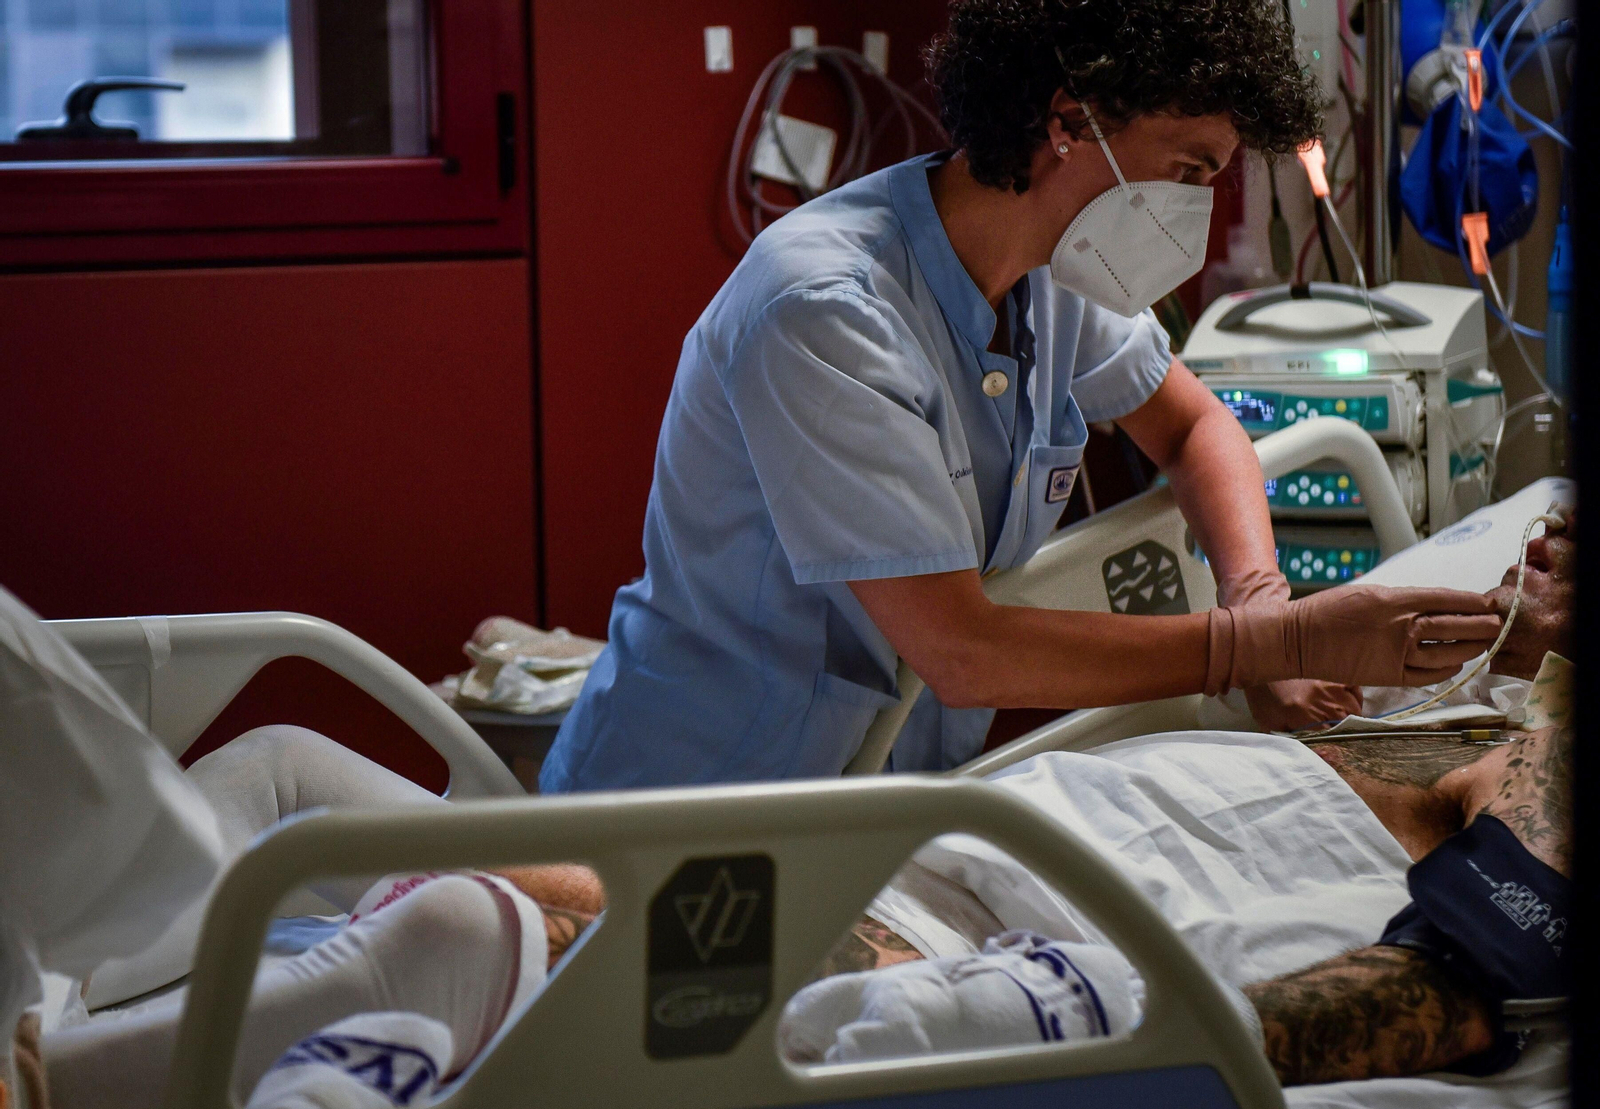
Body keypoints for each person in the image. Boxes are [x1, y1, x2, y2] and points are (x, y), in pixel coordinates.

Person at [32, 519, 1571, 1104]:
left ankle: (79, 1057)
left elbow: (1438, 981)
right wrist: (1281, 635)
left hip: (1042, 911)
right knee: (295, 774)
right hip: (990, 841)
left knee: (465, 922)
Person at [540, 0, 1499, 792]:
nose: (1196, 212)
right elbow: (963, 651)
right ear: (1070, 122)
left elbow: (1197, 427)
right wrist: (1258, 646)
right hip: (686, 799)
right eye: (1189, 169)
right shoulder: (823, 310)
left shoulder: (1050, 277)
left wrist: (1259, 597)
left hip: (874, 803)